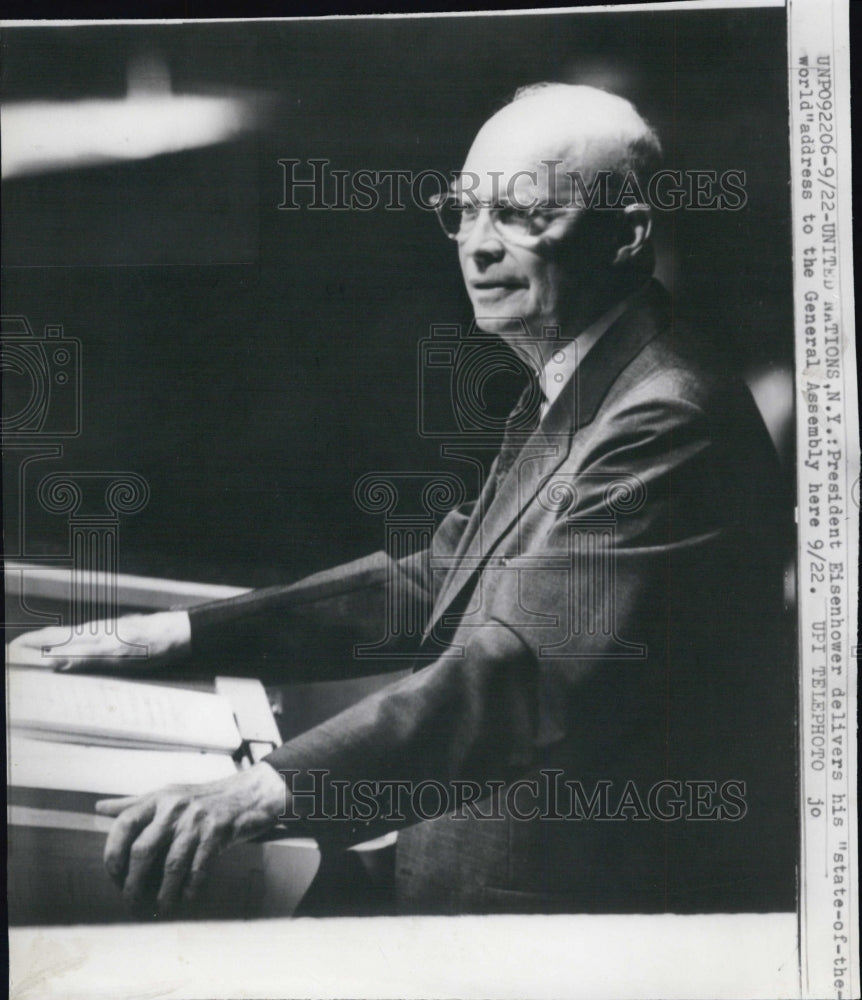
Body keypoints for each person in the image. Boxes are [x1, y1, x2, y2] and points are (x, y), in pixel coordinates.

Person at [8, 83, 797, 917]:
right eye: (464, 209)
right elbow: (439, 579)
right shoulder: (585, 377)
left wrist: (258, 791)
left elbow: (514, 672)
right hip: (473, 864)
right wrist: (173, 634)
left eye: (523, 214)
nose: (478, 247)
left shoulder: (667, 413)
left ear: (629, 232)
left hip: (557, 924)